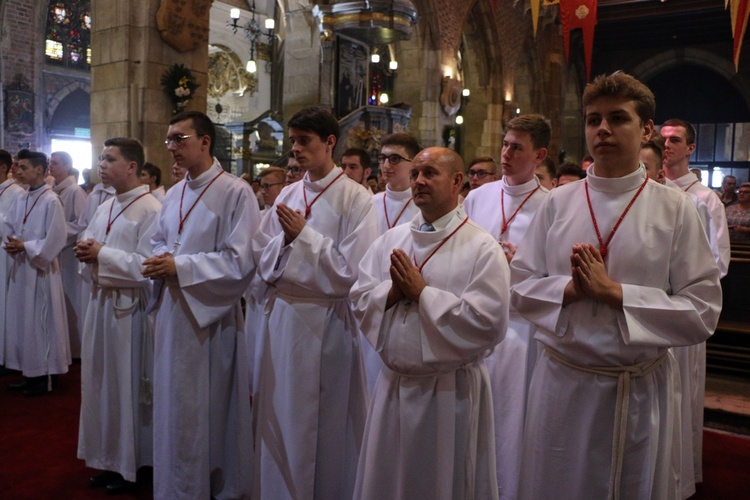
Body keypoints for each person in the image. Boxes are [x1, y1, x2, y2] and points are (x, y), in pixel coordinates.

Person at [510, 72, 722, 499]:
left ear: (646, 129)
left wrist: (617, 294)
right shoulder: (556, 203)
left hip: (635, 389)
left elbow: (702, 311)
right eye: (593, 120)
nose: (602, 129)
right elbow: (519, 288)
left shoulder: (677, 209)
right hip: (561, 385)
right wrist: (569, 291)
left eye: (617, 118)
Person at [350, 147, 510, 500]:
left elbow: (489, 323)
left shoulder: (482, 247)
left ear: (456, 181)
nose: (419, 181)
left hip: (449, 393)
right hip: (393, 386)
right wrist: (391, 295)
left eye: (430, 173)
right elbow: (360, 298)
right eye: (416, 173)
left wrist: (423, 294)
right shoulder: (390, 241)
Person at [251, 106, 378, 500]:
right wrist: (287, 241)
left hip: (326, 322)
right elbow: (262, 254)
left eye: (304, 141)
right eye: (293, 141)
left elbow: (352, 272)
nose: (296, 150)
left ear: (329, 143)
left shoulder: (357, 199)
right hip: (283, 317)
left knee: (321, 420)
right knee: (279, 411)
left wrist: (304, 236)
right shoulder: (288, 193)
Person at [142, 111, 260, 499]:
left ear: (205, 142)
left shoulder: (235, 191)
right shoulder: (174, 193)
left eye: (179, 139)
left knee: (207, 411)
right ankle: (176, 485)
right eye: (169, 140)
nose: (171, 147)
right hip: (174, 311)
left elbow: (241, 260)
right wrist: (162, 261)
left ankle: (212, 487)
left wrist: (181, 266)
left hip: (210, 318)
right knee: (174, 408)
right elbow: (160, 240)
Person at [463, 113, 550, 499]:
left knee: (512, 424)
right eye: (505, 143)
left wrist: (520, 266)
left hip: (521, 331)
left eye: (517, 147)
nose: (506, 153)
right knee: (473, 419)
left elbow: (555, 275)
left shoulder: (551, 206)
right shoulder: (478, 197)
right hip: (475, 323)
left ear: (540, 155)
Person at [75, 138, 162, 495]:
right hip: (102, 304)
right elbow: (89, 242)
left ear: (132, 167)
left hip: (130, 312)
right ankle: (110, 459)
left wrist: (100, 253)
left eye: (110, 159)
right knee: (102, 385)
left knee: (128, 388)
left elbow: (147, 268)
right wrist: (88, 252)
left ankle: (138, 463)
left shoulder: (151, 209)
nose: (101, 164)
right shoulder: (106, 204)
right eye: (101, 158)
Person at [661, 117, 730, 497]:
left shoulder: (705, 199)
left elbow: (718, 263)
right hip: (648, 309)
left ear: (690, 148)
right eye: (663, 139)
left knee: (681, 394)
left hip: (682, 310)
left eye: (676, 140)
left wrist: (676, 289)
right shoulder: (649, 191)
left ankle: (681, 475)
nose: (667, 145)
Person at [3, 149, 70, 396]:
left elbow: (56, 238)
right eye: (17, 167)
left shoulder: (51, 200)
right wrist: (10, 244)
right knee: (25, 321)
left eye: (22, 167)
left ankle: (45, 374)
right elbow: (10, 225)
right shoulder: (22, 198)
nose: (17, 172)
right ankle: (29, 371)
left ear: (39, 169)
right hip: (22, 267)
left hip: (41, 270)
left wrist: (27, 246)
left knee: (41, 322)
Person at [362, 133, 423, 392]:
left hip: (411, 301)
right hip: (375, 299)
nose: (386, 165)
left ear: (414, 164)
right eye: (383, 158)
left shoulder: (425, 206)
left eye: (395, 159)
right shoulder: (366, 203)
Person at [49, 151, 87, 359]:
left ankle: (75, 350)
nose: (50, 167)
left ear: (67, 166)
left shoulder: (74, 191)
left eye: (55, 163)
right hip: (55, 253)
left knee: (72, 300)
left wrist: (55, 233)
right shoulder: (53, 191)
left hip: (68, 255)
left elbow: (80, 224)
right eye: (49, 163)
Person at [0, 150, 26, 374]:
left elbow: (15, 227)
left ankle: (6, 356)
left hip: (5, 256)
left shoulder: (17, 193)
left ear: (2, 167)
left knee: (5, 307)